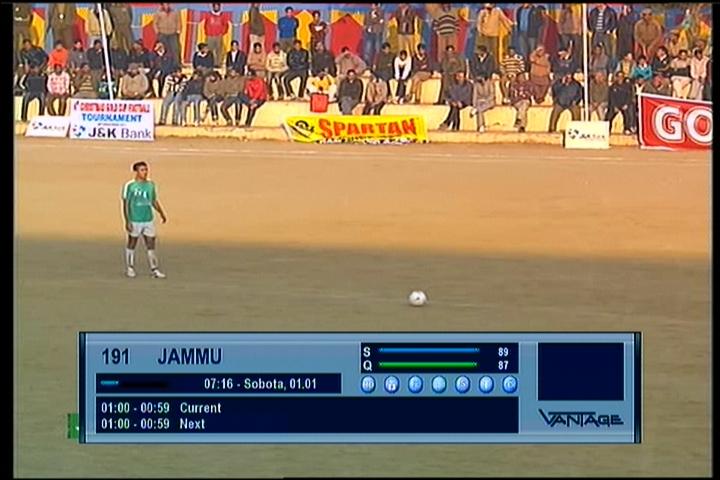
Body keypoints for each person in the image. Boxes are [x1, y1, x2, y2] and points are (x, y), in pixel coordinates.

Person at [122, 161, 168, 279]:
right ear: (136, 171)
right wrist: (127, 220)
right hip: (135, 219)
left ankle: (154, 269)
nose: (145, 172)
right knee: (132, 243)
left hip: (148, 219)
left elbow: (153, 201)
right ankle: (130, 268)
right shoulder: (130, 186)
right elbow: (126, 204)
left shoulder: (151, 185)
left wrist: (161, 212)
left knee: (151, 244)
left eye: (146, 169)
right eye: (142, 170)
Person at [203, 3, 230, 68]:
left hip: (218, 36)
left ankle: (218, 63)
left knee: (219, 50)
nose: (216, 8)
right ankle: (209, 63)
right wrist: (207, 33)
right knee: (209, 50)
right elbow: (205, 25)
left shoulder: (222, 15)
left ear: (219, 7)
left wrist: (222, 33)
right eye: (215, 7)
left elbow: (226, 25)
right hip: (210, 36)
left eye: (217, 7)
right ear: (213, 7)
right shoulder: (209, 15)